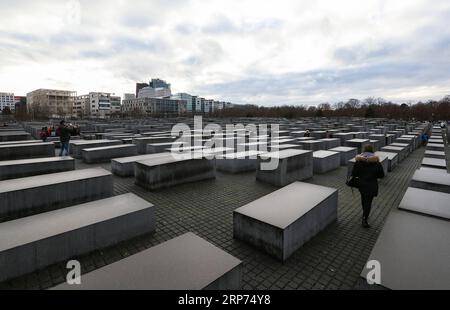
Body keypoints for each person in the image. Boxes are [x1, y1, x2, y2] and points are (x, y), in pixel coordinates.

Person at [351, 144, 385, 228]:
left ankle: (364, 214)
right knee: (368, 202)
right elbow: (381, 175)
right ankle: (365, 218)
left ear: (364, 150)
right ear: (372, 150)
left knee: (363, 199)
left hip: (362, 184)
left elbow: (353, 174)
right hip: (372, 185)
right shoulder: (376, 162)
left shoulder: (358, 161)